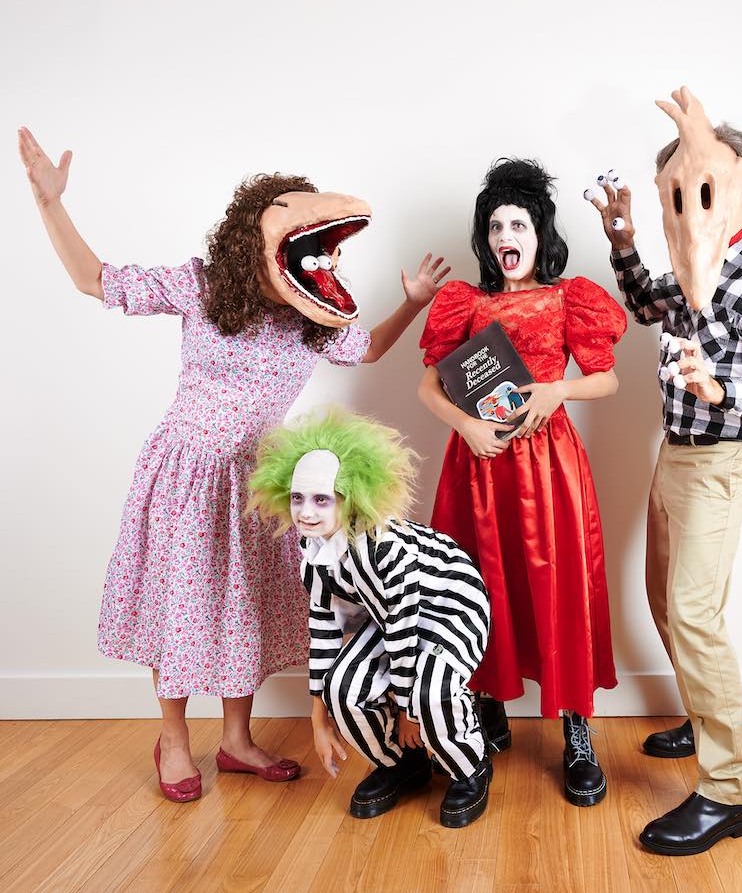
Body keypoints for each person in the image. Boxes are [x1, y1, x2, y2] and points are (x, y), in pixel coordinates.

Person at [18, 126, 447, 802]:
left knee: (243, 607)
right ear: (256, 237)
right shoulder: (201, 285)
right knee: (182, 604)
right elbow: (92, 279)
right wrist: (50, 203)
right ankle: (173, 740)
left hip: (260, 482)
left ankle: (237, 740)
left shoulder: (313, 318)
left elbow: (365, 352)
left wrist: (414, 303)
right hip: (186, 472)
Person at [590, 87, 742, 854]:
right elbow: (648, 303)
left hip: (725, 461)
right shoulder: (692, 267)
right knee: (664, 600)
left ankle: (729, 792)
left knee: (693, 612)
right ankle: (701, 715)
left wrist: (723, 389)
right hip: (674, 456)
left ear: (739, 183)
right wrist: (621, 241)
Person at [418, 158, 626, 807]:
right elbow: (428, 385)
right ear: (486, 239)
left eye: (519, 222)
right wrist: (466, 427)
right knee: (479, 587)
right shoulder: (466, 303)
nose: (507, 234)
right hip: (479, 466)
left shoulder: (571, 297)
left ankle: (576, 731)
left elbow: (607, 378)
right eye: (495, 225)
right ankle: (488, 710)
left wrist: (559, 387)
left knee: (558, 588)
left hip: (550, 465)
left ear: (540, 233)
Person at [250, 409, 493, 827]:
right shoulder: (314, 557)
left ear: (349, 496)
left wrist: (404, 710)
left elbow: (404, 627)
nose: (305, 512)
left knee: (427, 692)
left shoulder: (384, 547)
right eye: (297, 498)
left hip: (450, 608)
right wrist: (317, 716)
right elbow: (323, 630)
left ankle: (470, 766)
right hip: (388, 617)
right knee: (342, 689)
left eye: (321, 499)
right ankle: (403, 764)